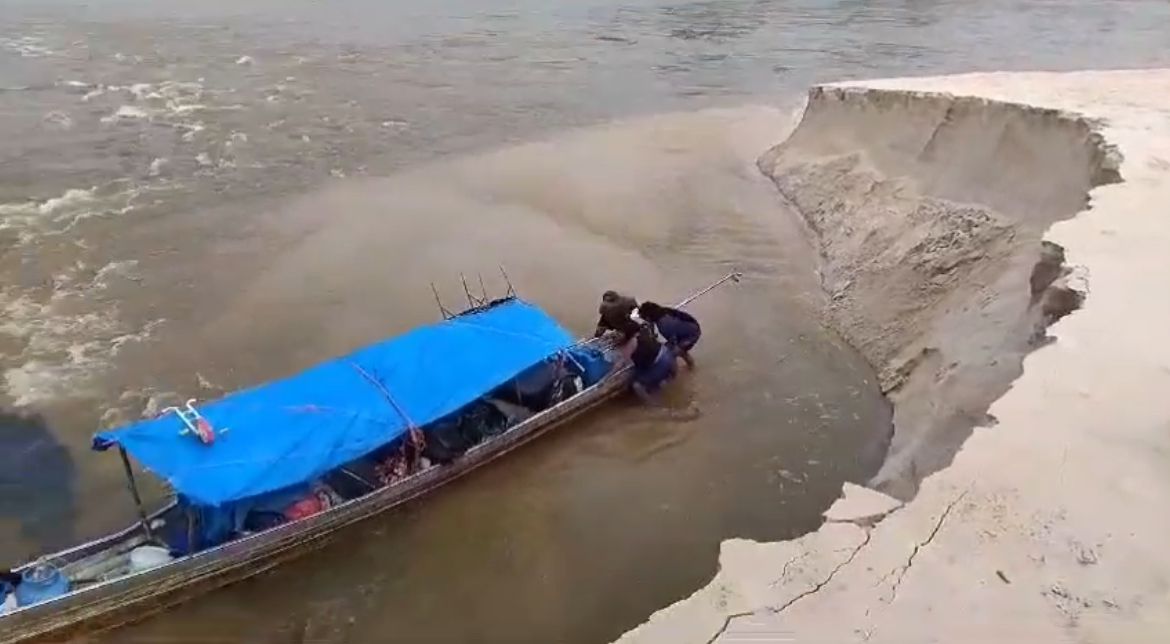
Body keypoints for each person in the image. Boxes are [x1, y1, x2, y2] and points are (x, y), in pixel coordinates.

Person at [637, 301, 702, 369]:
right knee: (676, 350)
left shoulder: (663, 325)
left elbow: (673, 342)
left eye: (644, 318)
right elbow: (651, 324)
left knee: (671, 353)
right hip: (691, 326)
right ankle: (690, 365)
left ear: (648, 317)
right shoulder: (662, 312)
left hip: (691, 335)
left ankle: (673, 373)